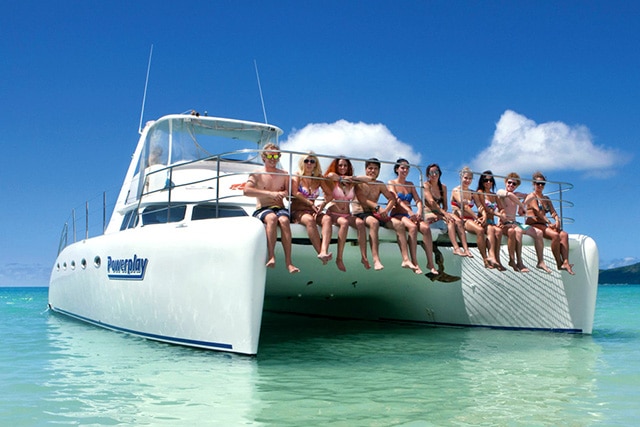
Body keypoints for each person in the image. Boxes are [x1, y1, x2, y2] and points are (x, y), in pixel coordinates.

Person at [243, 143, 299, 274]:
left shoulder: (284, 174)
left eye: (275, 155)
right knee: (272, 218)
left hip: (280, 208)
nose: (272, 158)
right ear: (263, 157)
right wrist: (270, 193)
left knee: (284, 221)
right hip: (263, 208)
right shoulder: (257, 174)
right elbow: (246, 191)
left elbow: (289, 194)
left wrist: (284, 193)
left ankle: (289, 262)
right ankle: (271, 256)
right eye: (269, 155)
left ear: (279, 157)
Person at [387, 158, 438, 275]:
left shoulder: (410, 184)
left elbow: (418, 200)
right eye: (402, 168)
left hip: (409, 214)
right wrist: (410, 212)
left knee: (425, 228)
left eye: (407, 168)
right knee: (413, 227)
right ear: (397, 169)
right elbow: (397, 200)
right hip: (397, 215)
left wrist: (419, 211)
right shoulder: (391, 183)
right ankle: (414, 262)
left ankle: (430, 263)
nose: (405, 170)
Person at [322, 156, 371, 272]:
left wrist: (351, 178)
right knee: (343, 223)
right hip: (333, 213)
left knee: (360, 223)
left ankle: (364, 257)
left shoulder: (351, 182)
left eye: (345, 165)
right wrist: (340, 179)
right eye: (340, 165)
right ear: (336, 166)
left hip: (347, 214)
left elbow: (368, 178)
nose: (343, 167)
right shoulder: (333, 181)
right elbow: (329, 175)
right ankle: (339, 258)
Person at [496, 173, 550, 273]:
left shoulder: (517, 195)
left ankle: (540, 261)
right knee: (518, 231)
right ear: (505, 182)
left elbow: (530, 195)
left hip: (515, 223)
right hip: (505, 224)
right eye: (509, 182)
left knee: (538, 232)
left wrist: (522, 206)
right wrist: (521, 205)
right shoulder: (501, 192)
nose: (511, 185)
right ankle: (519, 262)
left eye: (514, 184)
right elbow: (510, 195)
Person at [351, 158, 397, 271]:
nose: (373, 171)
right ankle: (376, 259)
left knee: (399, 225)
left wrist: (386, 210)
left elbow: (392, 198)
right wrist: (378, 207)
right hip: (360, 213)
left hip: (373, 213)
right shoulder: (359, 182)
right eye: (370, 168)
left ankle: (407, 259)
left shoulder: (380, 184)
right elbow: (362, 199)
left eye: (376, 168)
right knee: (374, 222)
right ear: (366, 169)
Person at [525, 171, 574, 275]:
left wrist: (557, 220)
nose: (540, 185)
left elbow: (553, 212)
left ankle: (565, 262)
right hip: (534, 224)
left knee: (564, 235)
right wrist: (549, 222)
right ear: (534, 184)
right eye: (538, 183)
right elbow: (538, 212)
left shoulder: (546, 198)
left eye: (542, 183)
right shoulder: (532, 196)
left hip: (544, 224)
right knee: (555, 235)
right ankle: (559, 263)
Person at [291, 152, 333, 264]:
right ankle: (321, 252)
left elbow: (330, 195)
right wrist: (309, 203)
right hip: (298, 211)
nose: (309, 163)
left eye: (312, 161)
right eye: (306, 161)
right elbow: (295, 193)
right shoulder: (297, 176)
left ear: (315, 164)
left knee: (327, 219)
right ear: (302, 163)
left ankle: (324, 250)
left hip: (312, 210)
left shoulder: (318, 178)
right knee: (309, 220)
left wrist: (323, 204)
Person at [423, 163, 472, 258]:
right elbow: (431, 202)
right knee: (450, 221)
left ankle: (466, 249)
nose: (434, 174)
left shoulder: (443, 187)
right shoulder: (426, 185)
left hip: (440, 212)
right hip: (428, 214)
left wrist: (443, 213)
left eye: (436, 172)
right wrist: (444, 215)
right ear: (428, 174)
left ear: (439, 173)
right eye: (431, 172)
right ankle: (456, 248)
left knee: (458, 220)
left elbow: (445, 205)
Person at [451, 167, 492, 267]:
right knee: (480, 230)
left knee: (491, 229)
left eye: (470, 179)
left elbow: (480, 206)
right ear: (461, 177)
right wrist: (476, 218)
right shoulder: (456, 191)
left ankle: (492, 256)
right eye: (466, 178)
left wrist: (484, 215)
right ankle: (485, 259)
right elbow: (464, 206)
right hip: (462, 219)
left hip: (471, 219)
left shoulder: (473, 193)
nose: (467, 181)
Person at [475, 171, 506, 271]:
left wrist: (502, 218)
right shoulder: (480, 193)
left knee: (499, 231)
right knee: (491, 230)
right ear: (482, 181)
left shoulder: (494, 195)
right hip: (483, 221)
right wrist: (499, 214)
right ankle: (491, 256)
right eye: (485, 180)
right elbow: (485, 208)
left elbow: (501, 208)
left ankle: (497, 259)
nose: (488, 182)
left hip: (492, 221)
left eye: (490, 180)